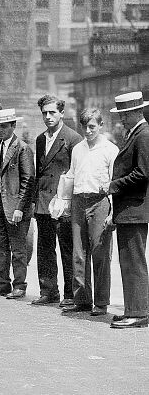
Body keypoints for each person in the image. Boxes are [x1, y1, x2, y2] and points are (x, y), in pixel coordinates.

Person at [58, 109, 118, 316]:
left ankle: (101, 302)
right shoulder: (78, 149)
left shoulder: (110, 150)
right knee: (78, 253)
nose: (88, 131)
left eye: (92, 126)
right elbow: (71, 176)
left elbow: (114, 184)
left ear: (101, 125)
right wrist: (63, 202)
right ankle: (82, 299)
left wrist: (113, 212)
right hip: (78, 201)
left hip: (99, 202)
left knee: (100, 252)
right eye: (84, 126)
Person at [31, 95, 82, 307]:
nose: (48, 117)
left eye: (52, 112)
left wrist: (69, 203)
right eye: (44, 113)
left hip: (63, 203)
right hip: (44, 202)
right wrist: (35, 201)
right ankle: (49, 291)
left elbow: (75, 173)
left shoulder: (73, 139)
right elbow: (39, 173)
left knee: (67, 249)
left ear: (62, 113)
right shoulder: (40, 139)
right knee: (44, 249)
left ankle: (70, 294)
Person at [107, 92, 149, 329]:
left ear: (136, 112)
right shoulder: (135, 134)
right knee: (130, 261)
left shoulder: (143, 135)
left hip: (135, 209)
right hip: (130, 210)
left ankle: (139, 312)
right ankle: (135, 308)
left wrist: (113, 185)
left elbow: (143, 173)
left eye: (124, 115)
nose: (121, 119)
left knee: (133, 262)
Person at [0, 108, 35, 300]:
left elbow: (28, 180)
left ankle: (19, 286)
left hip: (15, 207)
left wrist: (20, 208)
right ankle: (2, 284)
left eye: (4, 126)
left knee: (18, 248)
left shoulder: (22, 148)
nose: (0, 130)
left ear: (13, 126)